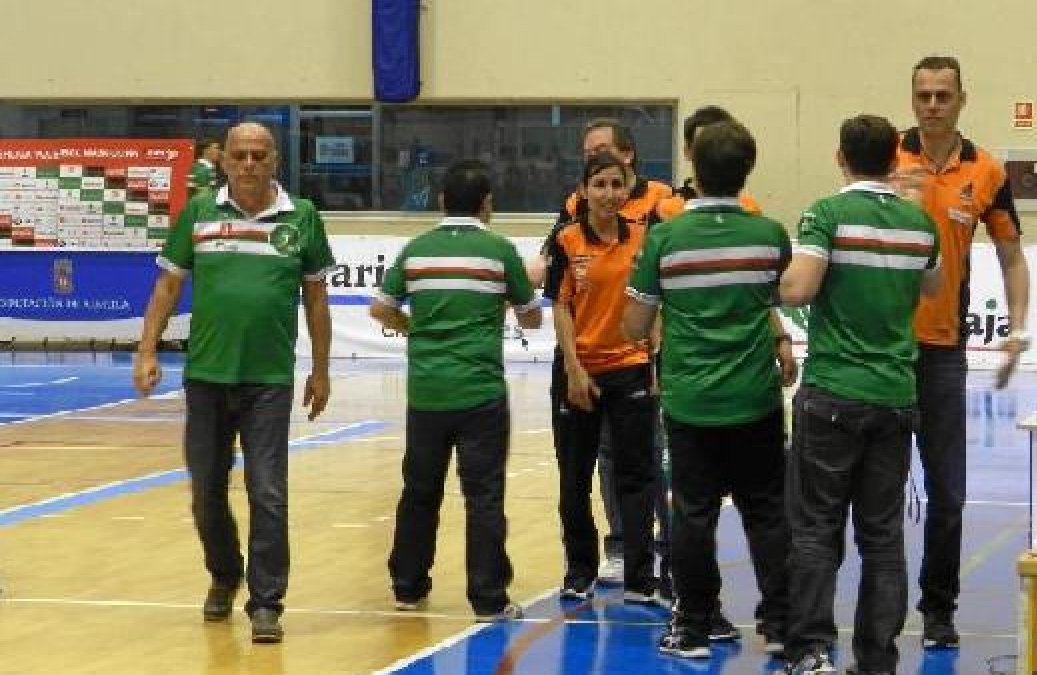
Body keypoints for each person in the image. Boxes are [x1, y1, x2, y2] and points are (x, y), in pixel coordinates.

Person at [133, 122, 334, 643]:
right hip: (206, 378)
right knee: (206, 492)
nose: (248, 163)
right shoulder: (198, 213)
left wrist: (321, 369)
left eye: (258, 155)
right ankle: (225, 574)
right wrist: (148, 349)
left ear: (275, 162)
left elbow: (315, 299)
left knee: (268, 492)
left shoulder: (303, 218)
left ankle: (266, 602)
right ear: (224, 162)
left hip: (269, 380)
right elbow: (168, 285)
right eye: (240, 155)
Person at [775, 114, 942, 675]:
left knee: (817, 530)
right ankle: (877, 660)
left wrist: (770, 281)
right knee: (883, 538)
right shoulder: (921, 223)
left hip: (833, 396)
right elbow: (933, 285)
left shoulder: (826, 213)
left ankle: (810, 651)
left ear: (840, 156)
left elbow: (799, 286)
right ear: (895, 159)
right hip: (895, 396)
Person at [624, 120, 793, 660]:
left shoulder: (665, 239)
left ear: (693, 167)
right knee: (767, 512)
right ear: (747, 170)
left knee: (692, 515)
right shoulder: (769, 236)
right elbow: (777, 300)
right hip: (756, 401)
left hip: (691, 403)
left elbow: (633, 325)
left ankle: (694, 628)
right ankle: (781, 623)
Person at [894, 55, 1031, 648]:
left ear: (961, 99)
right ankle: (878, 614)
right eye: (923, 94)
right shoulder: (885, 156)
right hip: (882, 352)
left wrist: (1018, 330)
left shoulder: (988, 171)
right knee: (873, 497)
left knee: (948, 493)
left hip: (943, 354)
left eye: (942, 94)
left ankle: (939, 611)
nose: (931, 104)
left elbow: (1011, 255)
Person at [369, 160, 542, 622]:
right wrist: (506, 300)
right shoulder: (499, 250)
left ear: (442, 201)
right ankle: (488, 598)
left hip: (426, 393)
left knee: (419, 491)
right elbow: (532, 317)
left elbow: (380, 310)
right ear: (487, 205)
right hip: (480, 392)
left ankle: (407, 585)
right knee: (483, 495)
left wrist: (415, 330)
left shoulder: (417, 250)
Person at [538, 118, 673, 592]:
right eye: (600, 184)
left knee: (636, 476)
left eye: (618, 184)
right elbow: (560, 306)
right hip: (579, 374)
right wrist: (573, 369)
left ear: (629, 187)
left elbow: (652, 304)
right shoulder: (566, 240)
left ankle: (640, 576)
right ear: (584, 190)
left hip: (632, 371)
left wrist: (654, 363)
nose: (610, 193)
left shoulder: (644, 238)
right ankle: (580, 571)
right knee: (575, 478)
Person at [651, 105, 762, 223]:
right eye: (702, 144)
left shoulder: (749, 208)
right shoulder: (665, 210)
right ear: (687, 152)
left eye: (720, 143)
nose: (712, 151)